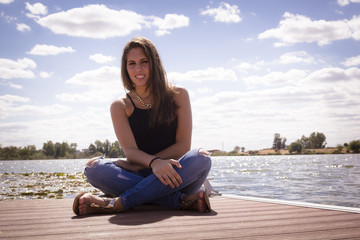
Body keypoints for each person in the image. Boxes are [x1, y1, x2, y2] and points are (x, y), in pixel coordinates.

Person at [73, 37, 212, 216]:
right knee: (93, 167)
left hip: (175, 174)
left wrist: (147, 165)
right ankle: (179, 200)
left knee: (201, 157)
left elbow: (183, 146)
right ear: (125, 68)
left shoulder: (179, 95)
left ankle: (118, 203)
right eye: (132, 63)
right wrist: (153, 164)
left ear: (154, 64)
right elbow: (130, 151)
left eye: (144, 62)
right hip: (137, 175)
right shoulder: (120, 106)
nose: (138, 69)